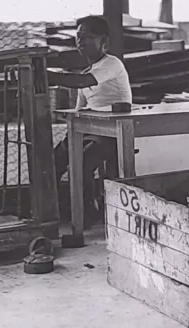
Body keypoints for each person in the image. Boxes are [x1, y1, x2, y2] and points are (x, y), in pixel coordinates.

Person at [48, 15, 132, 226]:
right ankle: (56, 211)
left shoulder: (112, 64)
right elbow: (79, 110)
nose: (80, 41)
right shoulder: (88, 71)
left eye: (87, 36)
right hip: (90, 130)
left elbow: (81, 82)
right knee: (54, 160)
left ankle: (87, 212)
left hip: (113, 133)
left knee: (82, 163)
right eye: (78, 36)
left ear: (104, 41)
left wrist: (44, 74)